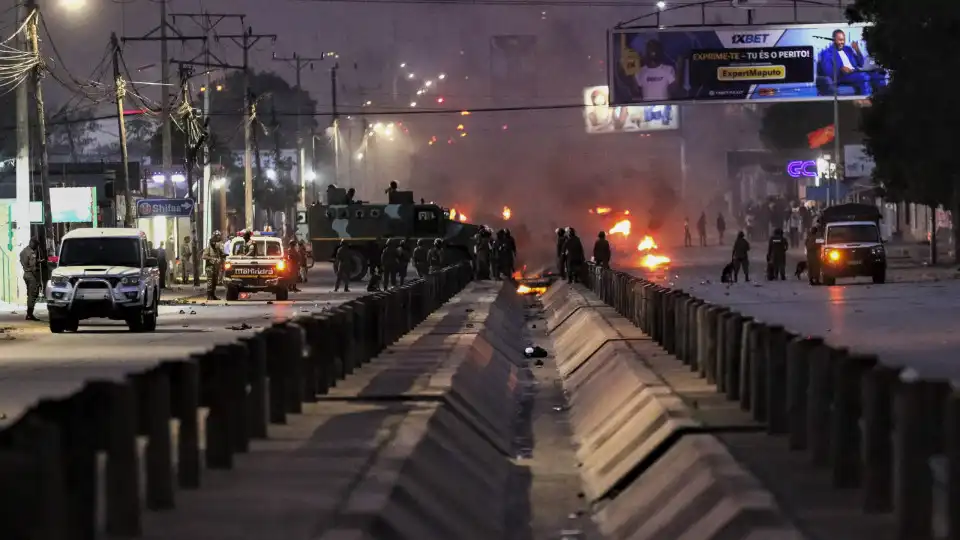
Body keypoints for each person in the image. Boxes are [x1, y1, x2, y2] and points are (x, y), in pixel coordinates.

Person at [19, 237, 42, 321]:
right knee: (33, 294)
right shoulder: (32, 253)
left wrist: (37, 261)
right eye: (36, 245)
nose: (36, 247)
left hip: (26, 274)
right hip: (31, 275)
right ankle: (29, 314)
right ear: (33, 243)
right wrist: (38, 280)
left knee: (30, 294)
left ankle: (29, 313)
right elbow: (33, 268)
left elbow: (23, 260)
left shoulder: (24, 251)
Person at [202, 236, 223, 300]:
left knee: (215, 281)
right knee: (210, 281)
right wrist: (212, 258)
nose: (216, 244)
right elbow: (204, 256)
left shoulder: (217, 249)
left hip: (216, 267)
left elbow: (220, 256)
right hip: (209, 267)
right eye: (215, 243)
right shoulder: (208, 248)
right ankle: (209, 295)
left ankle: (213, 295)